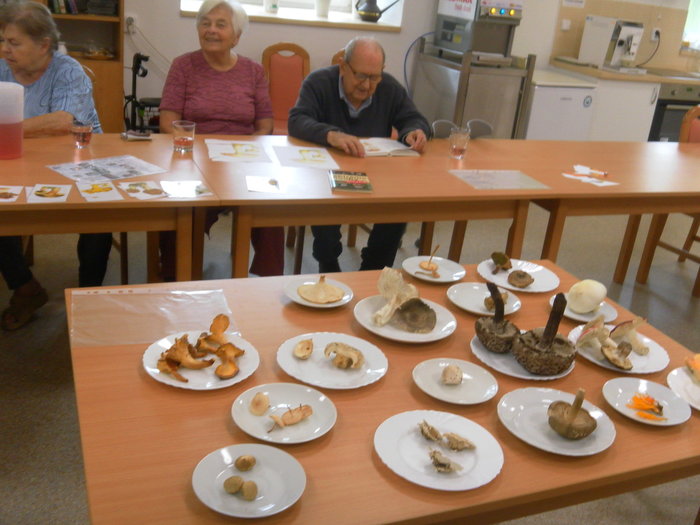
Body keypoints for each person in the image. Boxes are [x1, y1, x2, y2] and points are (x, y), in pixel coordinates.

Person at [0, 0, 110, 331]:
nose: (5, 49)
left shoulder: (68, 70)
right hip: (18, 163)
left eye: (14, 42)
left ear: (43, 44)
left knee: (100, 215)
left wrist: (9, 128)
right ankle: (25, 288)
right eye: (2, 40)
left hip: (78, 164)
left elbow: (63, 121)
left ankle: (87, 299)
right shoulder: (2, 68)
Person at [158, 0, 284, 279]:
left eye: (220, 24)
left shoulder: (253, 71)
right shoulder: (183, 66)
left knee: (271, 209)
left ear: (236, 36)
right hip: (194, 162)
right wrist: (202, 153)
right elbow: (168, 122)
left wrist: (241, 153)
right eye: (205, 23)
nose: (211, 30)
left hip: (242, 163)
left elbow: (265, 125)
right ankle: (176, 278)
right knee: (180, 211)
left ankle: (270, 283)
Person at [288, 36, 430, 273]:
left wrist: (414, 132)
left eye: (374, 77)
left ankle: (374, 268)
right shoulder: (319, 82)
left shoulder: (389, 87)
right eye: (361, 76)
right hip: (328, 173)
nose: (366, 85)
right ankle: (328, 262)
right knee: (325, 199)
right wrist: (330, 135)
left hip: (375, 173)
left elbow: (414, 119)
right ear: (343, 66)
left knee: (399, 204)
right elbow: (297, 120)